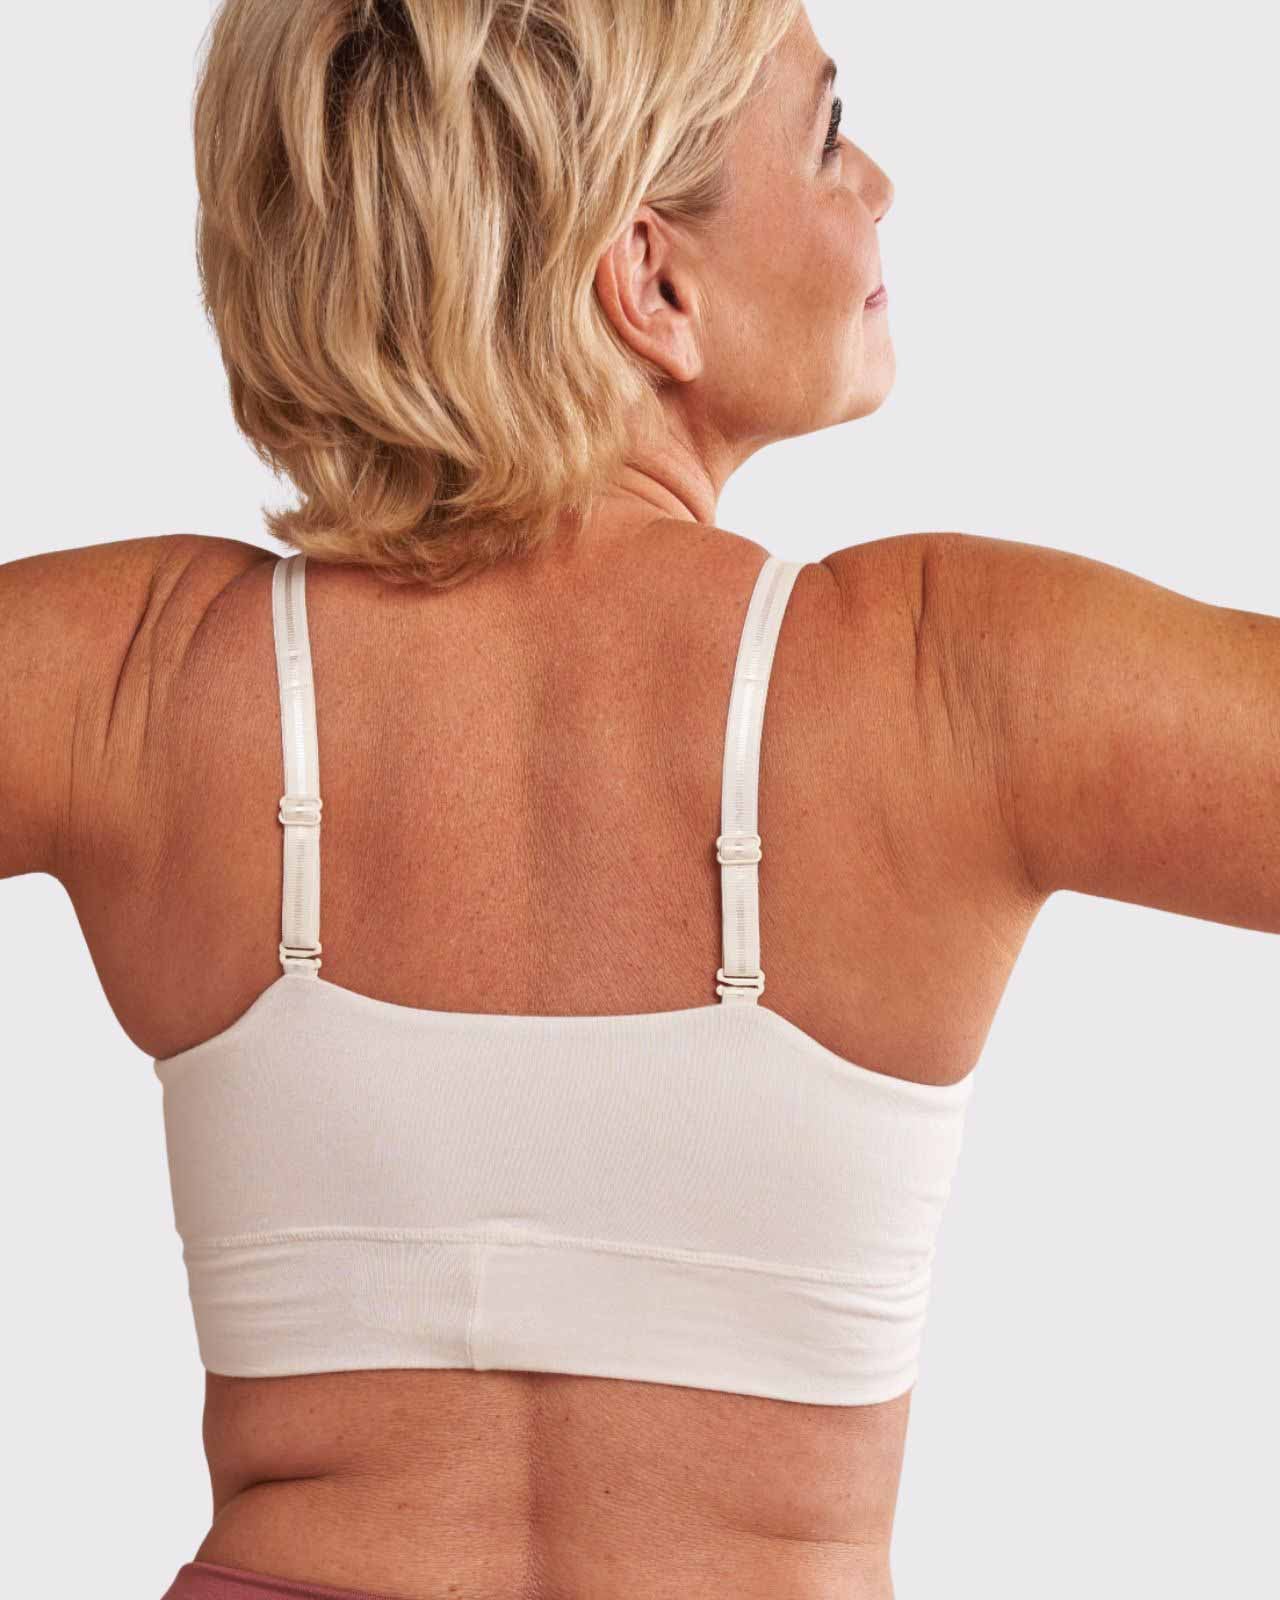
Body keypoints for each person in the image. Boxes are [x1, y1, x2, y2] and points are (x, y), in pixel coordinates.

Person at [1, 3, 1274, 1598]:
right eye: (827, 134)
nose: (879, 183)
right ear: (652, 282)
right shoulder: (952, 681)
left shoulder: (138, 681)